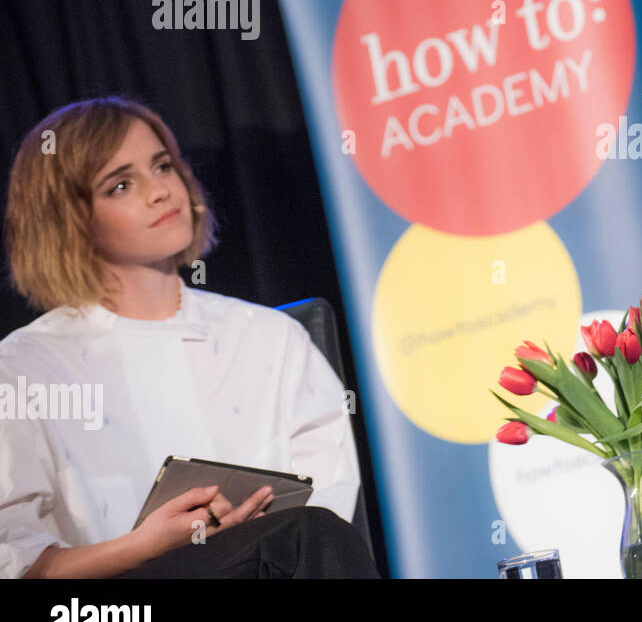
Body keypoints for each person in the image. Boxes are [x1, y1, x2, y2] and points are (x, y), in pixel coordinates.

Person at [0, 96, 379, 578]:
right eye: (120, 185)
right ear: (68, 221)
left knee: (306, 535)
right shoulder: (24, 367)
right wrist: (143, 547)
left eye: (162, 166)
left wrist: (246, 539)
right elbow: (16, 563)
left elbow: (325, 526)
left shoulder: (271, 339)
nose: (159, 191)